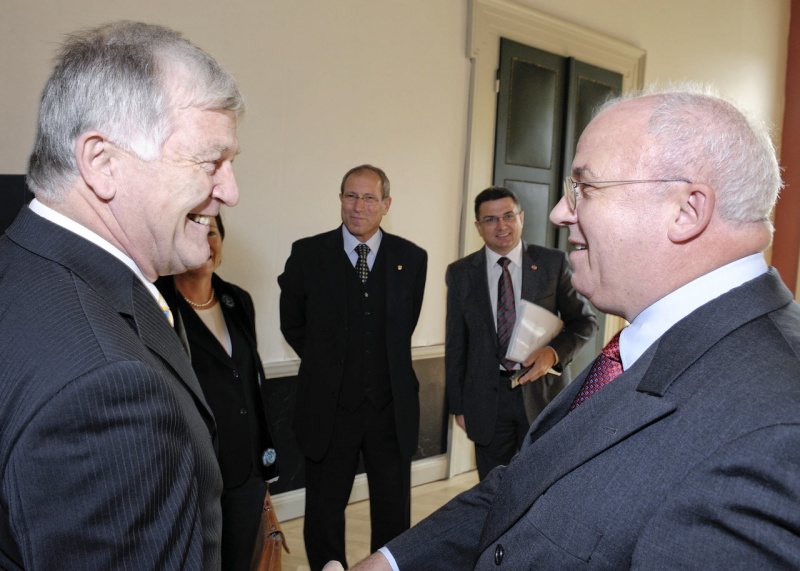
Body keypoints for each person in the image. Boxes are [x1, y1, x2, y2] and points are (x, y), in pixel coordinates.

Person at [326, 86, 800, 570]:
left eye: (584, 188)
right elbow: (523, 489)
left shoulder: (780, 428)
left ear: (686, 211)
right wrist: (387, 563)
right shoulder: (638, 347)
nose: (558, 212)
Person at [0, 22, 242, 569]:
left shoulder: (23, 262)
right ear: (102, 163)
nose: (230, 191)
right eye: (211, 162)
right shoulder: (107, 389)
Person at [278, 164, 427, 570]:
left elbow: (403, 326)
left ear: (386, 204)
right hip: (328, 411)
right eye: (351, 196)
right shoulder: (308, 254)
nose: (358, 206)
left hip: (390, 410)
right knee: (324, 512)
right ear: (340, 199)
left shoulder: (412, 259)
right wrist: (328, 363)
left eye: (369, 198)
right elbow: (292, 323)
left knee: (394, 513)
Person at [447, 186, 597, 480]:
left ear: (521, 218)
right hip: (485, 400)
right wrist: (458, 406)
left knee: (541, 482)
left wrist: (553, 353)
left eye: (508, 216)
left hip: (542, 394)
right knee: (493, 488)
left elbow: (584, 322)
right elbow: (456, 343)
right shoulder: (461, 273)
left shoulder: (553, 264)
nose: (501, 226)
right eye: (490, 220)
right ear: (478, 227)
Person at [156, 214, 280, 571]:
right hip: (191, 469)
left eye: (212, 233)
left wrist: (265, 464)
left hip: (246, 470)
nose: (206, 242)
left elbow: (251, 382)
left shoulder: (237, 300)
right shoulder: (157, 304)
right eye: (193, 230)